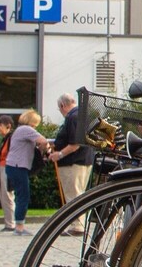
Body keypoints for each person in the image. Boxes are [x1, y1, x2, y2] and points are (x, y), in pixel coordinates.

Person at [48, 94, 92, 236]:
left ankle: (77, 226)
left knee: (73, 194)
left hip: (73, 162)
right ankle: (77, 224)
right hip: (83, 160)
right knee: (78, 192)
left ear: (62, 105)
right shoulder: (83, 114)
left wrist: (59, 154)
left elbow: (75, 143)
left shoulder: (73, 117)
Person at [4, 110, 49, 235]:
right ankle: (19, 227)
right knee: (23, 196)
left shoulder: (19, 130)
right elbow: (43, 141)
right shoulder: (26, 129)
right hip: (18, 166)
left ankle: (19, 225)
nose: (36, 126)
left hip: (13, 165)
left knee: (21, 194)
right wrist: (44, 150)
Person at [0, 115, 19, 233]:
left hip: (7, 168)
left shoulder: (11, 138)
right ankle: (9, 222)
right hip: (3, 167)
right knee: (4, 195)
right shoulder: (7, 138)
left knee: (7, 196)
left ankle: (11, 223)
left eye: (0, 125)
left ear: (8, 126)